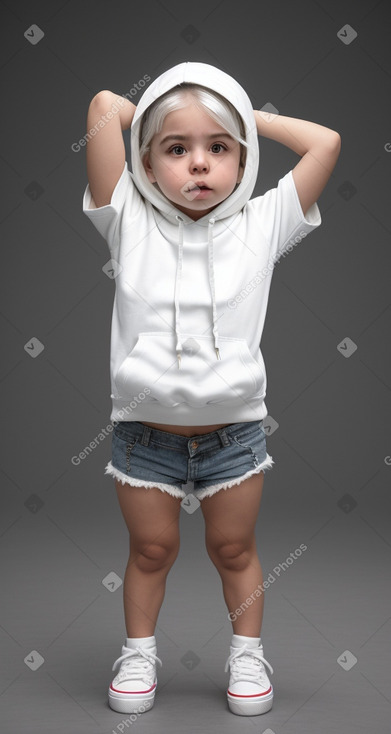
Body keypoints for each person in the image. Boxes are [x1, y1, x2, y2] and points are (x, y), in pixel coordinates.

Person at [82, 61, 341, 717]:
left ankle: (247, 657)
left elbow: (325, 144)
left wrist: (237, 110)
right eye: (177, 148)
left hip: (233, 436)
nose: (199, 164)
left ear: (241, 157)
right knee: (149, 551)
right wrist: (185, 106)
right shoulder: (127, 219)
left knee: (233, 550)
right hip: (144, 436)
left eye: (217, 147)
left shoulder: (262, 224)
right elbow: (102, 106)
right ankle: (138, 654)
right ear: (146, 162)